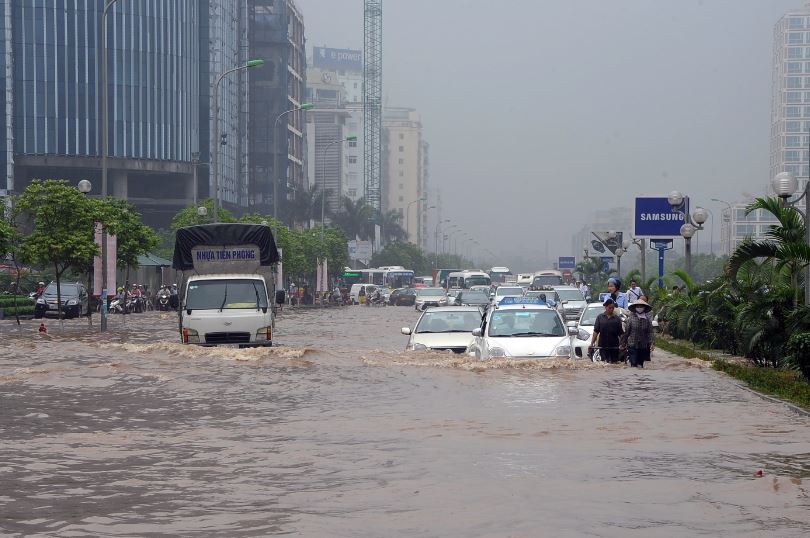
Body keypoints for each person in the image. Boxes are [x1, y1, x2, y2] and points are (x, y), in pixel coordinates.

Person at [622, 299, 655, 368]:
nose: (639, 308)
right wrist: (623, 343)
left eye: (641, 306)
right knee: (634, 363)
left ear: (644, 308)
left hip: (643, 345)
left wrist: (652, 343)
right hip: (632, 344)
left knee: (640, 364)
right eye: (638, 306)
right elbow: (627, 332)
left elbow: (650, 332)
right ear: (635, 308)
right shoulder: (630, 319)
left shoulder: (647, 320)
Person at [590, 298, 624, 363]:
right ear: (605, 307)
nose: (611, 309)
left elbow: (621, 333)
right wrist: (592, 344)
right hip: (602, 345)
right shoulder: (600, 317)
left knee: (614, 363)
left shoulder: (617, 319)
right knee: (604, 362)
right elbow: (595, 332)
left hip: (614, 345)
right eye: (609, 308)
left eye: (613, 308)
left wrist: (623, 344)